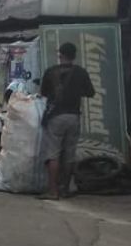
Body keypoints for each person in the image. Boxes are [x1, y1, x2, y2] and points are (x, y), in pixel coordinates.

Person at [39, 42, 96, 200]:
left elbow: (43, 92)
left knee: (53, 154)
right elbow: (91, 92)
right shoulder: (81, 72)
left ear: (60, 55)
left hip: (56, 117)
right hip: (73, 117)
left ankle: (53, 191)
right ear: (74, 56)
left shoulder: (51, 72)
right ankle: (65, 189)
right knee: (70, 154)